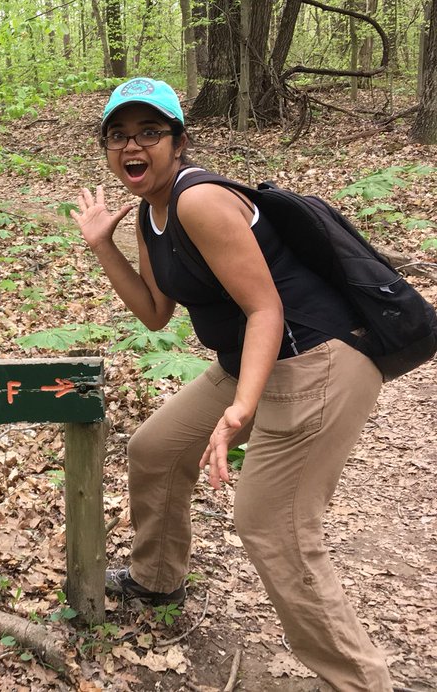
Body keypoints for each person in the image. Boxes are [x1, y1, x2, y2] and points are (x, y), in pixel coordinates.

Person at [70, 77, 392, 691]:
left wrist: (241, 410)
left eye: (149, 133)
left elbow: (266, 310)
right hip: (249, 362)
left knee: (273, 525)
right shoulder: (150, 214)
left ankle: (361, 682)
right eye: (118, 136)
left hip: (318, 362)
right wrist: (102, 246)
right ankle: (157, 580)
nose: (132, 147)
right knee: (155, 450)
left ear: (179, 140)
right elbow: (156, 311)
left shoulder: (199, 200)